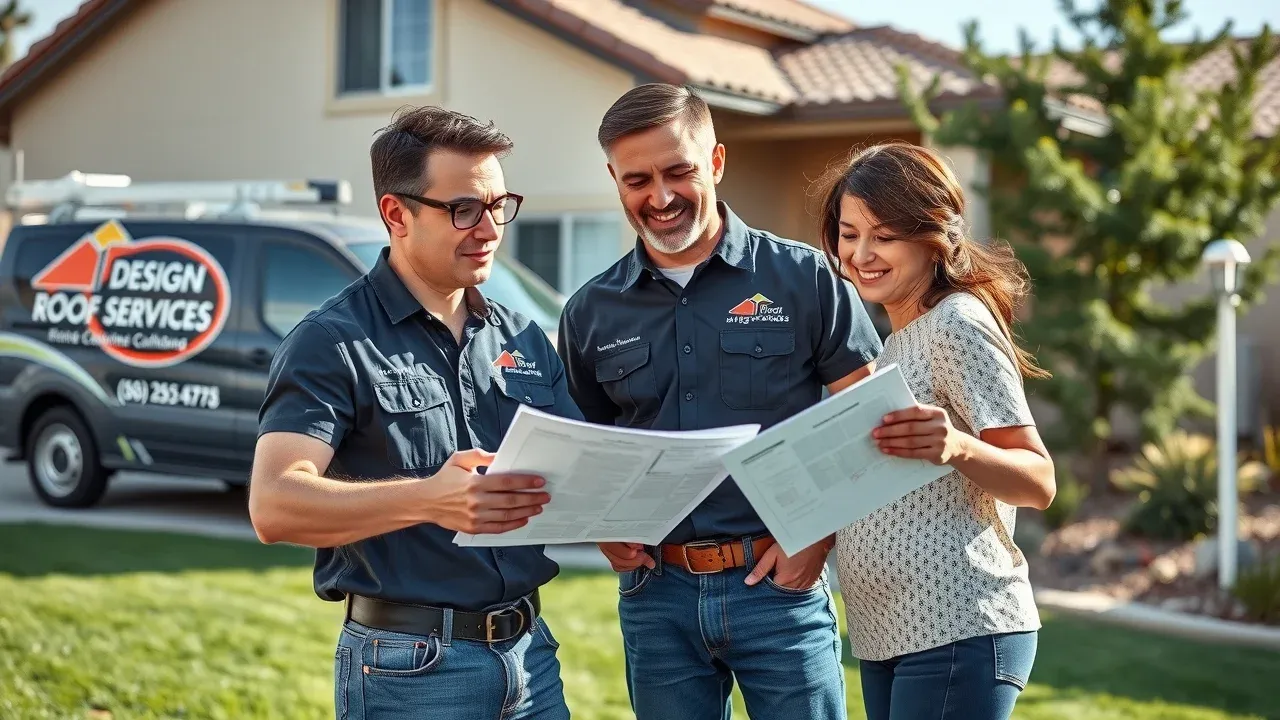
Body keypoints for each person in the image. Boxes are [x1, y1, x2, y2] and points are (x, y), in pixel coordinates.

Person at [557, 83, 883, 720]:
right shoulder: (590, 311)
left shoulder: (805, 278)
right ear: (614, 180)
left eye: (679, 171)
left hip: (778, 589)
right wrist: (600, 526)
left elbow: (869, 418)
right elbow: (580, 445)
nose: (660, 197)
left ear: (716, 162)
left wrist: (817, 533)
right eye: (637, 180)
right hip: (656, 597)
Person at [249, 106, 582, 720]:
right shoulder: (332, 340)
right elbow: (274, 504)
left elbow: (577, 470)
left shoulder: (522, 337)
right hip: (410, 667)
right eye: (463, 209)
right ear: (396, 214)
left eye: (498, 205)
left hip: (532, 658)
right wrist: (431, 498)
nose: (488, 229)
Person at [818, 141, 1057, 720]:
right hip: (888, 635)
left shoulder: (958, 321)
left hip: (958, 626)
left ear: (932, 236)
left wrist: (956, 445)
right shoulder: (891, 344)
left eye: (885, 235)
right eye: (849, 234)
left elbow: (1038, 480)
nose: (861, 254)